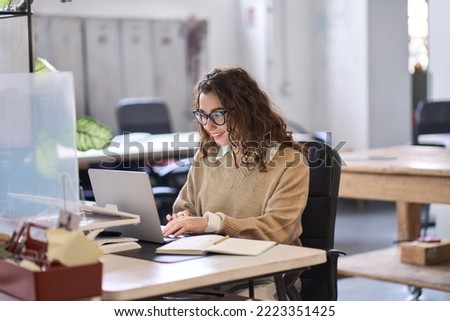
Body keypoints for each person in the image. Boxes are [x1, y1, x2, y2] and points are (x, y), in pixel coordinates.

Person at [161, 66, 309, 300]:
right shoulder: (207, 155)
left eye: (218, 115)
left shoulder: (289, 161)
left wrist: (212, 223)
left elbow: (278, 230)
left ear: (245, 110)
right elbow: (183, 206)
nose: (208, 126)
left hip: (264, 273)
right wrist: (184, 218)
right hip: (209, 267)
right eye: (202, 114)